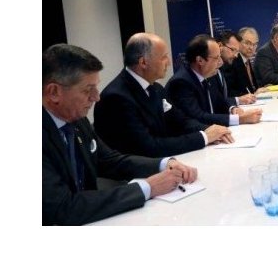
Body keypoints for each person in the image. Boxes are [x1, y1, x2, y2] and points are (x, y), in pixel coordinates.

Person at [43, 44, 197, 225]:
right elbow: (63, 208)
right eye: (87, 90)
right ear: (53, 92)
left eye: (96, 87)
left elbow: (110, 160)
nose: (96, 97)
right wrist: (147, 187)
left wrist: (164, 164)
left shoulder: (76, 120)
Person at [94, 33, 233, 158]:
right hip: (134, 177)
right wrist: (203, 137)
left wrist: (210, 130)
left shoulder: (156, 88)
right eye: (164, 57)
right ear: (143, 62)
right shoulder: (116, 98)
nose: (169, 62)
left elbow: (180, 120)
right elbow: (148, 147)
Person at [166, 34, 262, 127]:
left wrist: (232, 109)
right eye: (216, 58)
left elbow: (218, 101)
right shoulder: (181, 83)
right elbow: (198, 116)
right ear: (200, 61)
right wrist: (239, 119)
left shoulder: (206, 75)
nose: (220, 62)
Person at [214, 31, 257, 105]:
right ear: (220, 46)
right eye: (233, 50)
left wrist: (232, 108)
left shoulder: (224, 65)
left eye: (237, 51)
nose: (236, 55)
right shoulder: (214, 69)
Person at [223, 27, 268, 96]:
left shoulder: (246, 60)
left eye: (254, 44)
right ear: (239, 42)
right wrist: (253, 94)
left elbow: (251, 86)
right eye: (247, 43)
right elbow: (229, 92)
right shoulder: (232, 61)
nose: (251, 48)